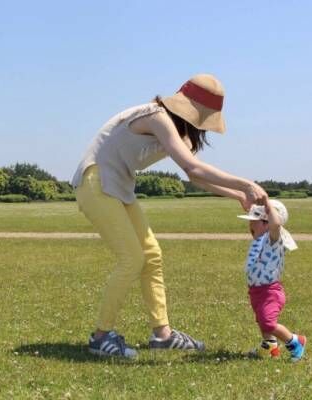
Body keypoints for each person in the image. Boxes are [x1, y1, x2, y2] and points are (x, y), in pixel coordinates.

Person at [71, 73, 269, 358]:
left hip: (118, 185)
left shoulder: (176, 133)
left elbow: (196, 176)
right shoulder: (156, 117)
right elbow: (192, 169)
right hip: (97, 182)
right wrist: (246, 184)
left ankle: (162, 335)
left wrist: (237, 195)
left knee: (151, 255)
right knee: (132, 258)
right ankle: (100, 337)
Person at [238, 199, 306, 362]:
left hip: (270, 291)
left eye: (254, 222)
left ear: (267, 223)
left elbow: (276, 224)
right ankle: (270, 347)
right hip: (256, 291)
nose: (250, 226)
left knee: (268, 323)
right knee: (262, 322)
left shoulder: (273, 239)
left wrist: (267, 205)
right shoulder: (260, 239)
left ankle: (296, 342)